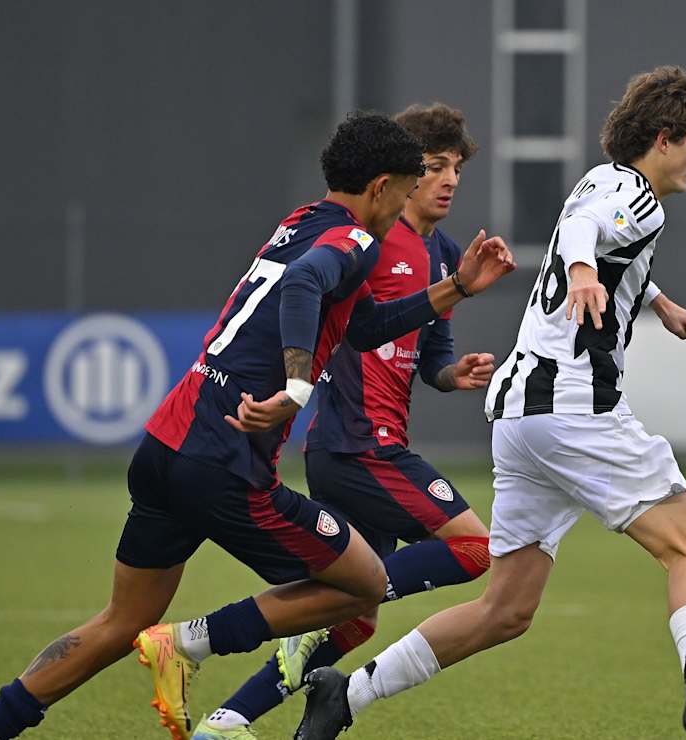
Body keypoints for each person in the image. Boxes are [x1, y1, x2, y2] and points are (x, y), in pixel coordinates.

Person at [0, 112, 515, 740]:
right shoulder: (354, 241)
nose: (411, 199)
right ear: (380, 186)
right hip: (225, 460)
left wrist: (456, 287)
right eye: (409, 186)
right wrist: (297, 388)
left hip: (168, 440)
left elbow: (360, 327)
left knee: (118, 621)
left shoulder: (300, 221)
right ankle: (190, 642)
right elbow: (303, 285)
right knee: (366, 585)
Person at [294, 68, 686, 740]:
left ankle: (345, 696)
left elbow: (597, 237)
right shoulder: (634, 197)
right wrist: (588, 273)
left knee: (504, 610)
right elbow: (587, 239)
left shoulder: (605, 179)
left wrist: (661, 304)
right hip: (573, 411)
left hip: (519, 417)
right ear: (663, 137)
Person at [189, 103, 494, 740]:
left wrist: (452, 373)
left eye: (456, 169)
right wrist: (298, 378)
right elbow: (332, 309)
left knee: (352, 614)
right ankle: (209, 634)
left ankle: (228, 721)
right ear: (396, 177)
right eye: (433, 167)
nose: (446, 181)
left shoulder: (441, 252)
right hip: (359, 446)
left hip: (364, 446)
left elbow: (429, 352)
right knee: (471, 548)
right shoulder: (366, 241)